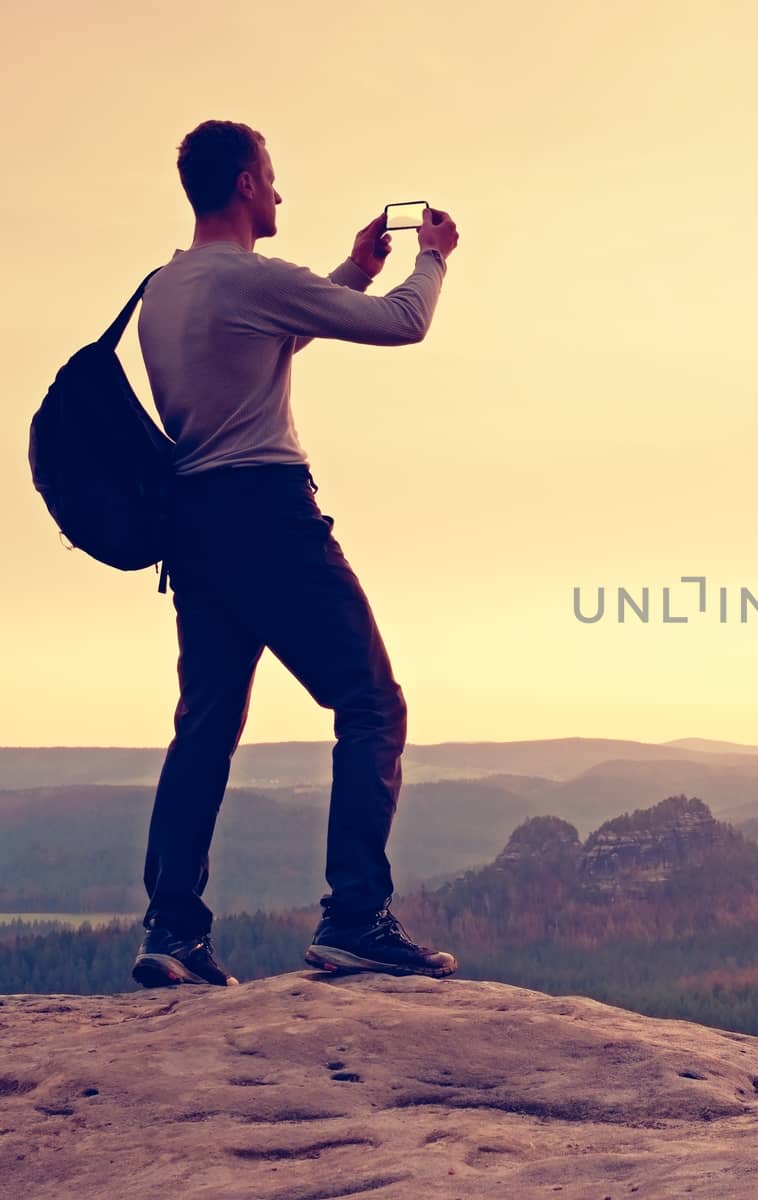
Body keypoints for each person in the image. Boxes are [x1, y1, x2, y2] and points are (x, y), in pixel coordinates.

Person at [129, 119, 460, 987]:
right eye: (272, 180)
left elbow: (267, 337)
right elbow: (402, 325)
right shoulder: (250, 278)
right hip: (268, 515)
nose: (279, 195)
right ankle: (355, 918)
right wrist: (433, 258)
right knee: (373, 703)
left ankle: (170, 930)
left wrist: (354, 270)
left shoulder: (162, 290)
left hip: (193, 528)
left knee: (204, 725)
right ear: (244, 184)